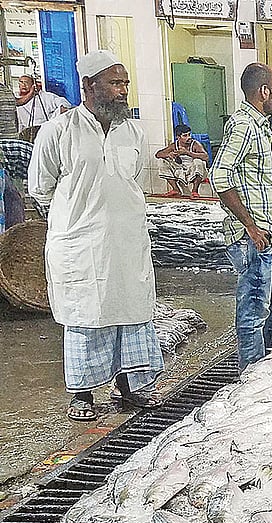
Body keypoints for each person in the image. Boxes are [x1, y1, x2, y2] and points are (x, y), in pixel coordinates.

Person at [30, 51, 163, 422]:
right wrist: (75, 220)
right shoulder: (59, 130)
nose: (123, 91)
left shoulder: (133, 131)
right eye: (115, 83)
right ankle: (83, 395)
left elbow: (132, 179)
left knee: (129, 313)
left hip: (126, 242)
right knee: (86, 317)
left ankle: (130, 387)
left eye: (125, 83)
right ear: (89, 86)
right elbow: (40, 187)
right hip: (81, 244)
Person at [211, 63, 272, 371]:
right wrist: (250, 226)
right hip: (253, 238)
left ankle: (265, 363)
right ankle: (252, 374)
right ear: (264, 92)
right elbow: (219, 175)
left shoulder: (261, 125)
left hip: (268, 236)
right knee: (254, 308)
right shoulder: (243, 125)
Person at [155, 124, 209, 198]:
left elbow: (206, 157)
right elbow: (158, 154)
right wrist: (168, 155)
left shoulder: (195, 144)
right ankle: (176, 189)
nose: (189, 137)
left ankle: (195, 191)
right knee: (162, 161)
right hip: (180, 169)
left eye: (189, 134)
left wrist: (187, 153)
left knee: (199, 162)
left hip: (193, 169)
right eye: (185, 135)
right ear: (178, 137)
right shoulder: (174, 145)